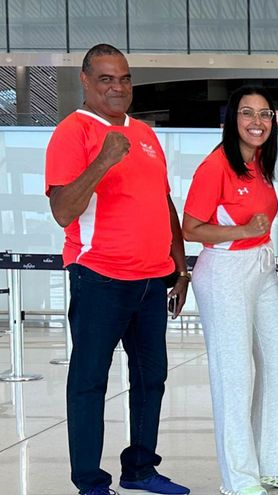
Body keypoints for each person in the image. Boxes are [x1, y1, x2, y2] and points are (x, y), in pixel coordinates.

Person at [45, 44, 190, 495]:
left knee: (151, 379)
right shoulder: (72, 132)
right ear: (85, 80)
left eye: (124, 78)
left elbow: (163, 202)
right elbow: (63, 211)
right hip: (100, 279)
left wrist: (180, 268)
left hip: (151, 280)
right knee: (89, 382)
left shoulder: (144, 133)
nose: (118, 87)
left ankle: (140, 469)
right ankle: (90, 482)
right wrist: (104, 160)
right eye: (106, 78)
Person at [182, 87, 278, 495]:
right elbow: (190, 228)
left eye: (265, 114)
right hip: (225, 272)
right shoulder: (216, 165)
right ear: (232, 119)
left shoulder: (260, 163)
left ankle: (273, 464)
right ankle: (238, 478)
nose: (257, 122)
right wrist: (242, 230)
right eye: (248, 113)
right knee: (234, 375)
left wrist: (254, 235)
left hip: (261, 266)